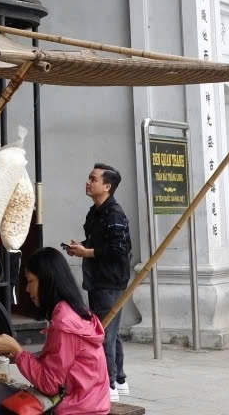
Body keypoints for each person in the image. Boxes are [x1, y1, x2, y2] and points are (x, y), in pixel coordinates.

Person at [0, 248, 110, 415]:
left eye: (30, 281)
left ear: (46, 281)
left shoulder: (65, 322)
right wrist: (15, 354)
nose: (27, 290)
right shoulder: (74, 312)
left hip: (75, 408)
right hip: (85, 401)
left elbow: (50, 384)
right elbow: (57, 367)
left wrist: (18, 351)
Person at [65, 164, 132, 401]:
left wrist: (88, 252)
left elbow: (119, 249)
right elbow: (98, 243)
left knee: (103, 333)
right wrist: (81, 247)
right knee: (110, 330)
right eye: (89, 178)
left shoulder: (114, 214)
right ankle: (119, 380)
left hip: (110, 281)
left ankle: (108, 385)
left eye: (93, 179)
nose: (88, 182)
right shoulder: (95, 211)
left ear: (107, 186)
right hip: (97, 280)